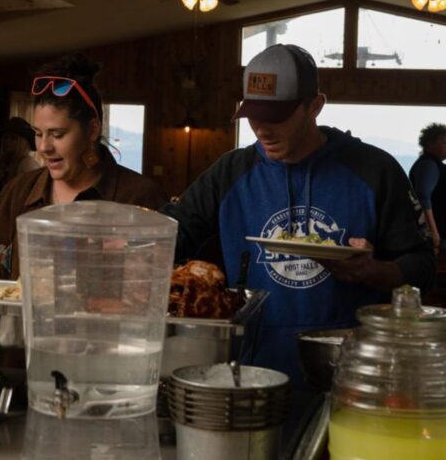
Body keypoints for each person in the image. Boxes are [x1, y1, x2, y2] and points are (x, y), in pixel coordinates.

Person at [161, 44, 435, 386]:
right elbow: (171, 235)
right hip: (251, 374)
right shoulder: (230, 172)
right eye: (254, 116)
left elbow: (423, 266)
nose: (263, 129)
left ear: (315, 106)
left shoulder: (373, 169)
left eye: (278, 116)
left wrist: (373, 271)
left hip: (353, 372)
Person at [0, 53, 167, 280]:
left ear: (92, 130)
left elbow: (159, 284)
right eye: (38, 134)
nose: (44, 147)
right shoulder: (20, 189)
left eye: (58, 134)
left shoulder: (139, 197)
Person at [409, 123, 446, 255]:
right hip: (438, 235)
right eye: (444, 142)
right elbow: (423, 197)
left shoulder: (431, 164)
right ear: (430, 143)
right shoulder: (428, 165)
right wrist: (433, 232)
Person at [0, 116, 41, 194]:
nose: (7, 141)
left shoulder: (27, 164)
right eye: (6, 137)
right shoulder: (7, 162)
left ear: (22, 142)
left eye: (13, 138)